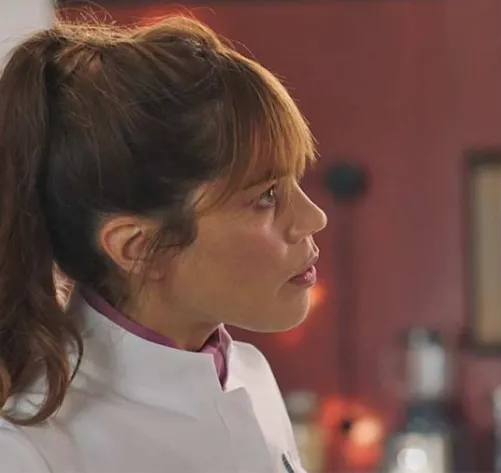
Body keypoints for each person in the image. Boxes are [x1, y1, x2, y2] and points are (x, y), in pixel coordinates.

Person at [0, 14, 327, 473]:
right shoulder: (31, 450)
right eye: (266, 196)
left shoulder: (251, 376)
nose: (314, 218)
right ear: (136, 247)